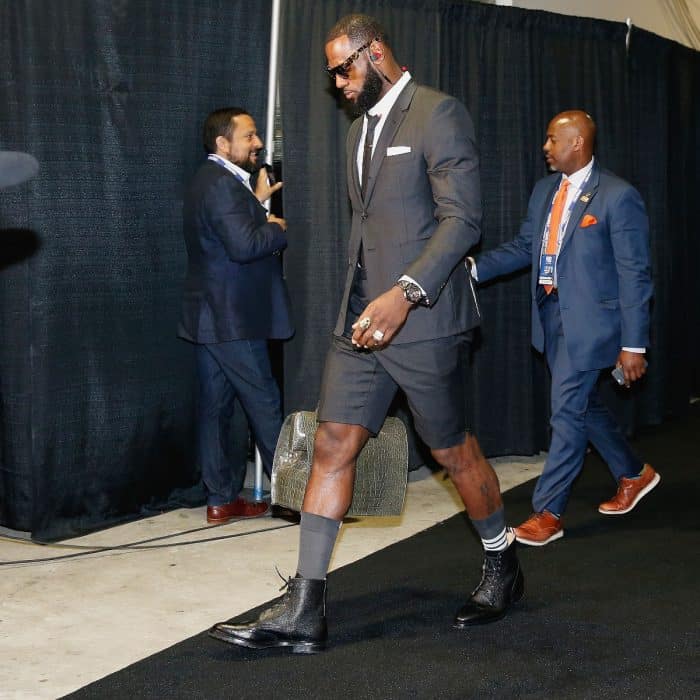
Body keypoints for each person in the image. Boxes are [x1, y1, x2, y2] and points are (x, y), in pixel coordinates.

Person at [209, 14, 523, 654]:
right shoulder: (358, 131)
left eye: (343, 68)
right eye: (331, 73)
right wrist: (362, 301)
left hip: (424, 318)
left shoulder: (437, 113)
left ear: (375, 51)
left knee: (451, 451)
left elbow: (462, 220)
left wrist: (405, 292)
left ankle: (503, 562)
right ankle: (306, 607)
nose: (337, 82)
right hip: (360, 320)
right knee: (332, 442)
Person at [469, 110, 659, 547]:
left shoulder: (618, 196)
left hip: (595, 324)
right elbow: (526, 247)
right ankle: (634, 472)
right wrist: (474, 269)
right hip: (551, 316)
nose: (545, 148)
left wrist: (634, 344)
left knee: (567, 412)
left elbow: (635, 274)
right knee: (582, 405)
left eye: (553, 139)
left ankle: (548, 512)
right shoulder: (544, 191)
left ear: (577, 142)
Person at [178, 108, 293, 524]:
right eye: (249, 136)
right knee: (264, 402)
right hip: (232, 320)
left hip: (210, 317)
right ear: (223, 143)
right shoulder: (221, 184)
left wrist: (256, 204)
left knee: (216, 408)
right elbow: (244, 246)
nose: (258, 143)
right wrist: (277, 227)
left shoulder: (209, 180)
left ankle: (221, 498)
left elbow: (224, 234)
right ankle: (297, 498)